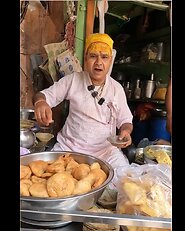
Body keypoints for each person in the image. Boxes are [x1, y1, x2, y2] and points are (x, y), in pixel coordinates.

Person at [32, 33, 133, 169]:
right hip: (69, 149)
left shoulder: (116, 89)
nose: (98, 62)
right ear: (85, 59)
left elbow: (126, 120)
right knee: (54, 178)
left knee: (124, 180)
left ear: (110, 61)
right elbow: (42, 95)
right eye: (93, 56)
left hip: (106, 152)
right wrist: (40, 103)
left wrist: (126, 132)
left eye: (104, 57)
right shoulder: (72, 80)